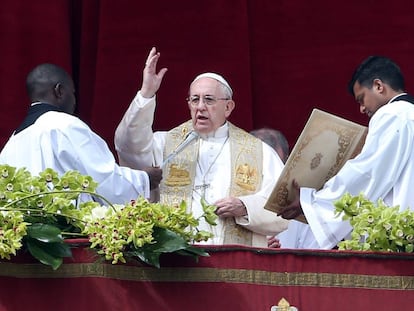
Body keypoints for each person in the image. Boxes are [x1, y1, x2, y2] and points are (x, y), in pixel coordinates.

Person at [114, 47, 289, 247]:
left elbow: (283, 208)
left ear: (228, 107)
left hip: (234, 264)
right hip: (177, 263)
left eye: (209, 100)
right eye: (195, 99)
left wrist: (245, 207)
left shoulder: (259, 152)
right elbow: (128, 145)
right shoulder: (165, 144)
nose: (200, 107)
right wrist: (146, 93)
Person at [278, 55, 414, 249]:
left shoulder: (392, 115)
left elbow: (368, 173)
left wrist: (313, 200)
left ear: (378, 86)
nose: (361, 108)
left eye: (362, 99)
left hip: (399, 233)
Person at [0, 63, 162, 204]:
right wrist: (145, 180)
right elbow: (103, 179)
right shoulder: (64, 125)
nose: (74, 101)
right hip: (69, 234)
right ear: (59, 91)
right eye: (73, 93)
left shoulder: (11, 143)